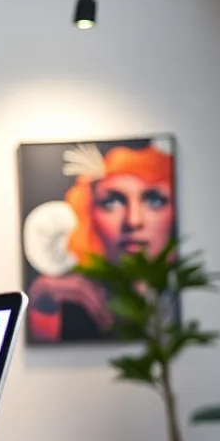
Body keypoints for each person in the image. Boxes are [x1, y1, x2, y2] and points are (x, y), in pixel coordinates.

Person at [27, 142, 175, 342]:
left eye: (154, 200)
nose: (133, 221)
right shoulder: (73, 302)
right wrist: (43, 302)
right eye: (112, 201)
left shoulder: (178, 300)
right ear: (88, 213)